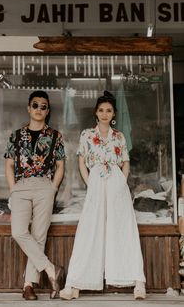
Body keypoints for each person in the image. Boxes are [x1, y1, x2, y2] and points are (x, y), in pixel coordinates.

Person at [60, 90, 146, 300]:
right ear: (96, 113)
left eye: (108, 110)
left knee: (124, 227)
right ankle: (75, 282)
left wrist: (121, 182)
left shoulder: (119, 136)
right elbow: (81, 161)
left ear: (114, 113)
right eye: (101, 110)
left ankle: (138, 281)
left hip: (116, 181)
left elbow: (125, 162)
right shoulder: (87, 135)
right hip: (96, 180)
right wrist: (90, 182)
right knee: (90, 229)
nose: (105, 113)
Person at [4, 90, 65, 300]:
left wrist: (53, 188)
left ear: (48, 111)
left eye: (44, 106)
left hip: (44, 187)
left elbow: (60, 166)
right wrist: (13, 189)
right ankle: (50, 268)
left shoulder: (55, 136)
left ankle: (28, 285)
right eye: (36, 105)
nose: (39, 109)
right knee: (19, 232)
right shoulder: (16, 135)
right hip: (21, 187)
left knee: (39, 235)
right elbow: (9, 165)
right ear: (28, 108)